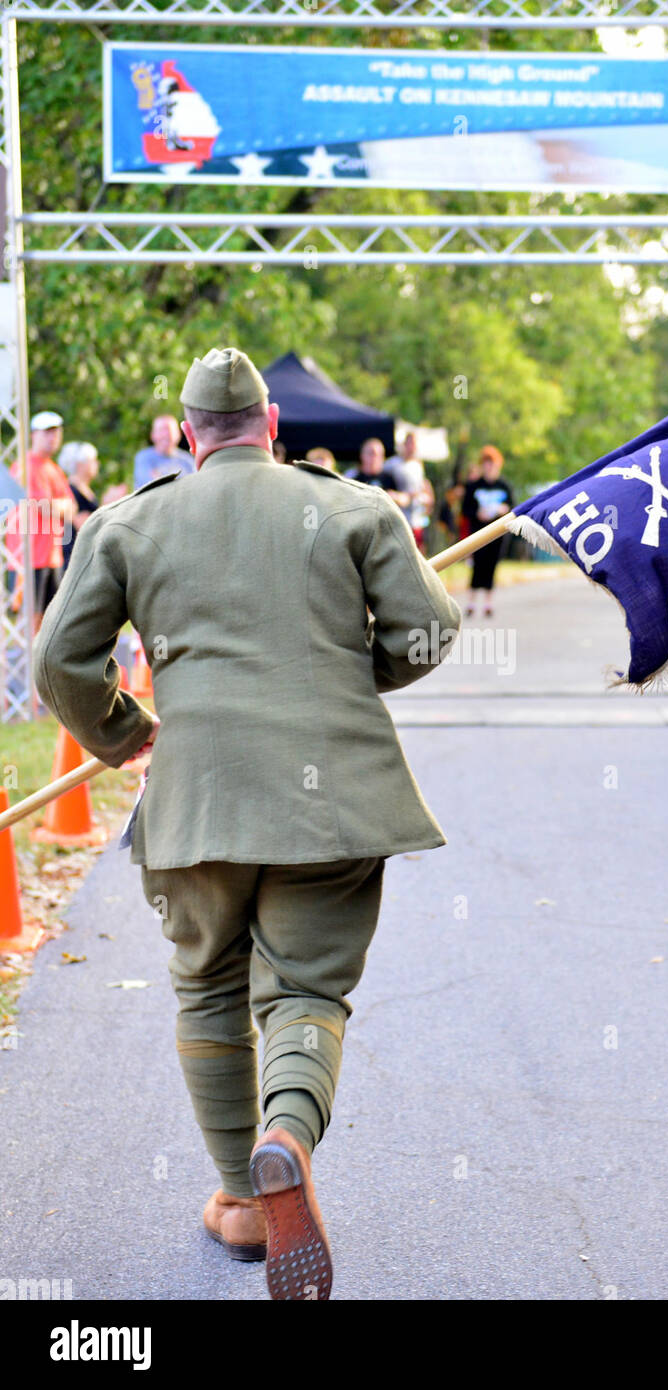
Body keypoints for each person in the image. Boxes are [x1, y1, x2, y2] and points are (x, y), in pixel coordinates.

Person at [33, 347, 461, 1302]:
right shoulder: (355, 507)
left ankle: (237, 1197)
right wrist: (350, 677)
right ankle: (286, 1139)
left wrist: (128, 733)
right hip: (335, 800)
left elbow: (60, 665)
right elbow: (427, 634)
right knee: (307, 992)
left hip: (198, 800)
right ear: (275, 426)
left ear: (186, 437)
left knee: (209, 990)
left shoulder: (127, 523)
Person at [4, 410, 77, 632]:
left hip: (50, 557)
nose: (52, 437)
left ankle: (40, 666)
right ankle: (26, 667)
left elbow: (71, 508)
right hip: (28, 557)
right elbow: (46, 508)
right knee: (30, 622)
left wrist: (59, 507)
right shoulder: (25, 466)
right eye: (47, 432)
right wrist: (59, 506)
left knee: (50, 621)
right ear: (34, 435)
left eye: (56, 432)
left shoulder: (53, 469)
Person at [461, 446, 515, 619]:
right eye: (486, 463)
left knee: (491, 566)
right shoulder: (474, 486)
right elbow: (465, 509)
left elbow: (514, 509)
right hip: (478, 531)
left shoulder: (505, 486)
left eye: (492, 464)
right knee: (477, 566)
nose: (489, 467)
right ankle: (471, 602)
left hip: (497, 534)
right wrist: (477, 513)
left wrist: (503, 510)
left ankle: (488, 603)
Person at [388, 431, 434, 553]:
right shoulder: (393, 464)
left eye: (414, 444)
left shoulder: (417, 465)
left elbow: (423, 486)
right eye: (410, 444)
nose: (412, 447)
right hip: (399, 516)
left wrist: (427, 499)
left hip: (417, 517)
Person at [58, 442, 101, 570]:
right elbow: (81, 521)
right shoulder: (70, 489)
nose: (97, 464)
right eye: (92, 461)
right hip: (73, 553)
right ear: (80, 465)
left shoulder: (84, 488)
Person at [346, 437, 410, 511]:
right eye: (370, 453)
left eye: (378, 454)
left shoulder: (389, 478)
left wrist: (394, 497)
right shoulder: (354, 479)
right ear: (362, 455)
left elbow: (405, 499)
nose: (374, 458)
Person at [133, 414, 195, 489]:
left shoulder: (187, 460)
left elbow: (194, 486)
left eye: (169, 430)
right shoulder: (144, 458)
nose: (165, 435)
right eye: (161, 430)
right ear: (152, 435)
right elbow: (150, 487)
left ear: (178, 434)